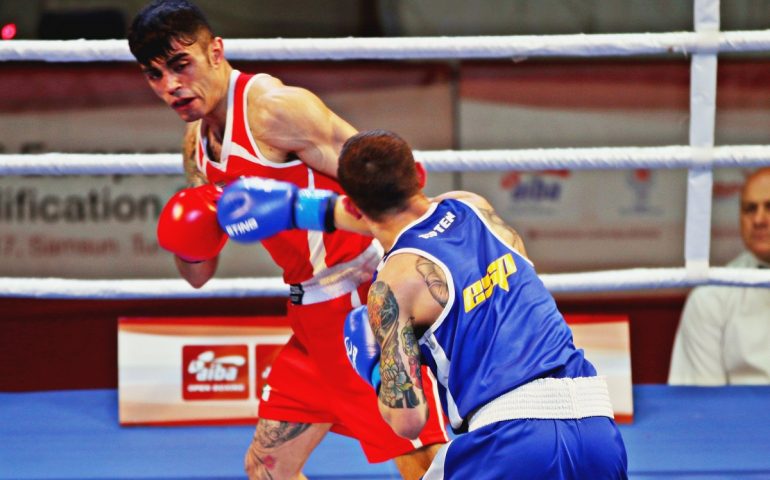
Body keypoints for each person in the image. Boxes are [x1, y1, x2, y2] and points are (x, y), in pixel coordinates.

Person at [127, 2, 448, 479]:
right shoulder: (196, 145)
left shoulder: (274, 110)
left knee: (421, 465)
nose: (171, 85)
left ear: (216, 52)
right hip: (311, 318)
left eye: (180, 64)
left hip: (362, 308)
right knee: (267, 468)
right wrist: (187, 236)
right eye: (154, 74)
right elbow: (199, 274)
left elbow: (393, 192)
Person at [217, 129, 629, 478]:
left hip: (508, 440)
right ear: (418, 174)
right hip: (595, 423)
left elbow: (408, 420)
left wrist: (374, 365)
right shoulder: (474, 207)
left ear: (355, 205)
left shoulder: (392, 287)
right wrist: (300, 209)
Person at [669, 167, 770, 385]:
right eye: (750, 209)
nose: (759, 219)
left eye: (769, 207)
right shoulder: (711, 297)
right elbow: (702, 407)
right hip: (743, 418)